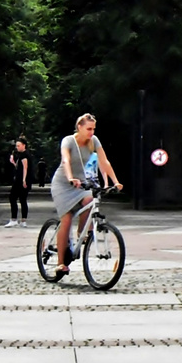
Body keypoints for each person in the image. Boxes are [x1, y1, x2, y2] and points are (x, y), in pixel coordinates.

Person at [51, 113, 122, 277]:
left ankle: (82, 234)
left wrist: (115, 181)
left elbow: (104, 162)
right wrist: (70, 178)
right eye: (89, 129)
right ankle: (61, 263)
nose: (91, 132)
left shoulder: (93, 141)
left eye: (94, 129)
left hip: (82, 182)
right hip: (63, 183)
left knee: (90, 199)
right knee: (66, 219)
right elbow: (66, 161)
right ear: (79, 127)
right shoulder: (69, 141)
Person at [2, 138, 32, 227]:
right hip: (21, 179)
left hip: (21, 180)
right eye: (16, 146)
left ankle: (14, 219)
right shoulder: (22, 155)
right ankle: (23, 220)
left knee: (13, 198)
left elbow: (25, 168)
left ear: (24, 145)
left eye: (19, 146)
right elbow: (19, 167)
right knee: (22, 199)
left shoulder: (24, 155)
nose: (17, 147)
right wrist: (13, 162)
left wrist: (24, 180)